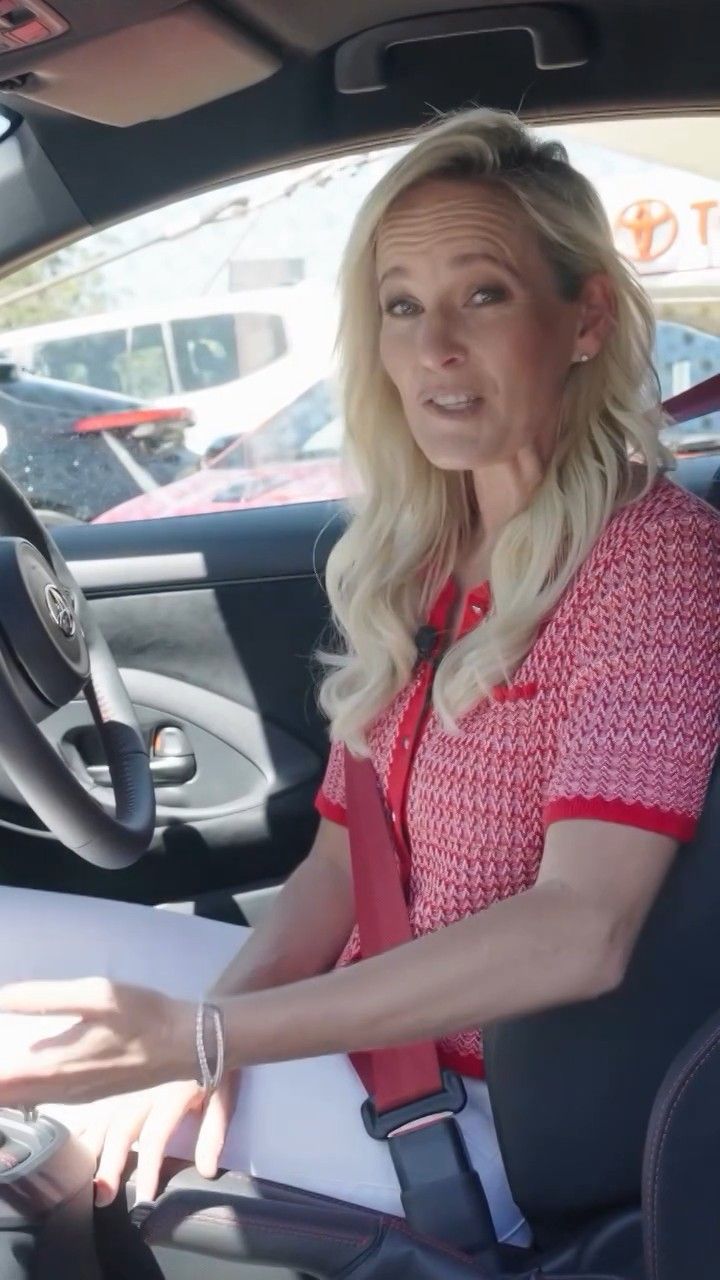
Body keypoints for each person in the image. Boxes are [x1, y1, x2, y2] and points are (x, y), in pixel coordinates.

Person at [1, 107, 720, 1251]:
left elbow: (581, 928)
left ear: (585, 318)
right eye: (402, 305)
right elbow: (340, 865)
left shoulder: (652, 560)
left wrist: (205, 1039)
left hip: (480, 1108)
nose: (436, 346)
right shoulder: (422, 562)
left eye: (482, 294)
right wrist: (211, 1030)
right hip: (360, 1022)